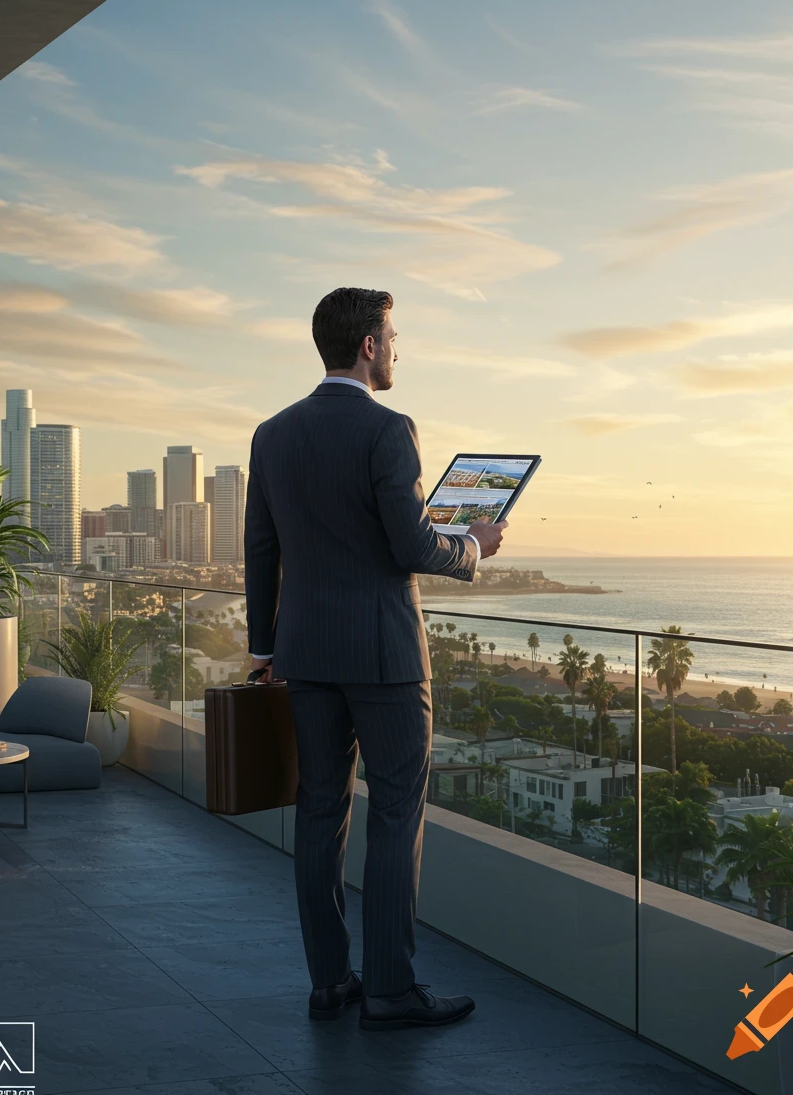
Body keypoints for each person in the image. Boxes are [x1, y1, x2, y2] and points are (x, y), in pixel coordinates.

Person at [244, 287, 507, 1031]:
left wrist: (265, 647)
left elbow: (261, 548)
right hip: (387, 657)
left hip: (305, 653)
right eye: (392, 336)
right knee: (394, 813)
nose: (397, 349)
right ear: (367, 346)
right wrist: (473, 548)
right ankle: (391, 988)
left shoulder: (272, 433)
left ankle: (331, 981)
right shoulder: (390, 431)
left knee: (320, 809)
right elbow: (412, 547)